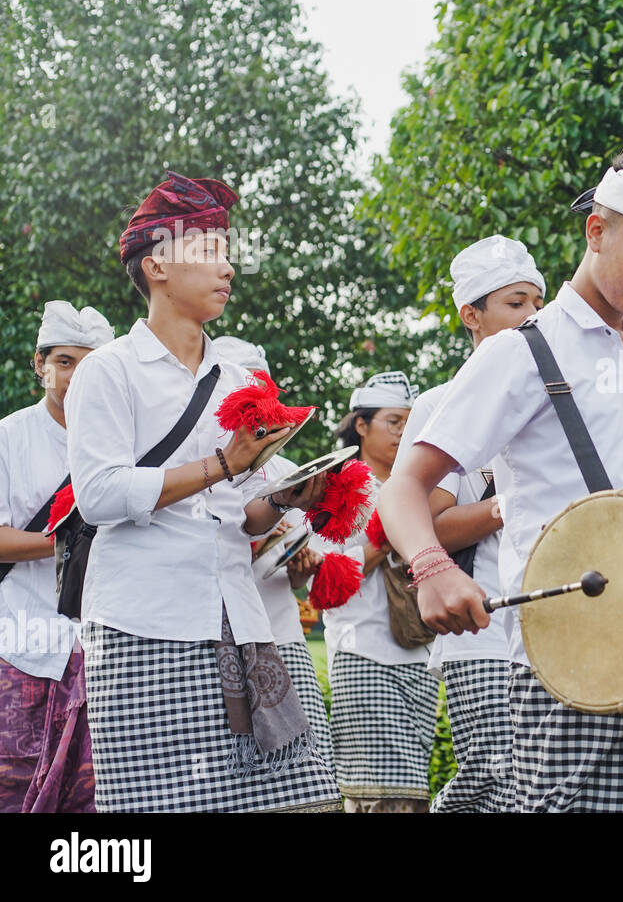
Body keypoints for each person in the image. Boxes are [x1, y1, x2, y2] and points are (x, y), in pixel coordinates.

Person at [380, 149, 623, 812]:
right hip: (569, 671)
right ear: (596, 231)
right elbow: (404, 486)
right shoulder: (521, 353)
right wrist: (432, 565)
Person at [66, 172, 339, 812]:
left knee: (289, 798)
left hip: (240, 619)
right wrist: (221, 462)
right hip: (145, 625)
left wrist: (289, 497)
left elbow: (241, 518)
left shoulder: (236, 376)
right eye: (210, 253)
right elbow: (99, 495)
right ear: (156, 263)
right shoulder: (108, 371)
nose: (229, 269)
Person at [395, 236, 545, 812]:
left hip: (550, 615)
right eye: (514, 303)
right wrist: (503, 507)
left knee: (542, 783)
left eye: (537, 302)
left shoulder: (555, 394)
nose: (532, 316)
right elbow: (426, 520)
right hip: (480, 626)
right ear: (471, 315)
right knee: (491, 776)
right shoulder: (441, 402)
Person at [0, 301, 112, 812]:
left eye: (91, 365)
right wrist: (67, 538)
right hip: (21, 643)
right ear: (40, 364)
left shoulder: (121, 444)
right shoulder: (10, 436)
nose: (75, 376)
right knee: (13, 787)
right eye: (65, 362)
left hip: (103, 648)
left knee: (94, 797)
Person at [213, 334, 333, 770]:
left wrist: (301, 566)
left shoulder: (287, 471)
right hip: (215, 641)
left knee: (307, 769)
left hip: (281, 632)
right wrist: (258, 535)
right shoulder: (202, 467)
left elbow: (294, 576)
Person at [326, 370, 439, 813]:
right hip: (363, 654)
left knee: (412, 800)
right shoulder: (335, 484)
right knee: (384, 802)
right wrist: (387, 534)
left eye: (411, 423)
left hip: (421, 658)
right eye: (394, 422)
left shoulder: (421, 485)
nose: (404, 433)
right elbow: (324, 581)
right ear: (361, 424)